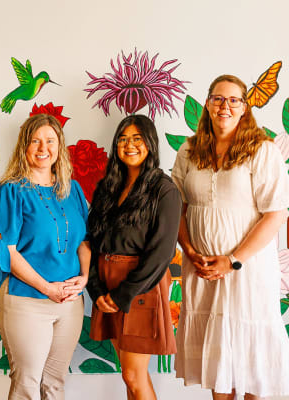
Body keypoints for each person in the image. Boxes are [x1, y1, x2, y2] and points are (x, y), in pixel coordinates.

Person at [172, 75, 289, 399]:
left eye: (233, 100)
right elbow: (178, 208)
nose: (225, 106)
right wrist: (190, 250)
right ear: (207, 104)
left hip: (246, 273)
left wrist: (233, 260)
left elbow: (276, 214)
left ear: (244, 107)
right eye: (218, 99)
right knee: (218, 367)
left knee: (251, 365)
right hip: (203, 270)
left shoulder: (262, 151)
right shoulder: (188, 150)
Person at [0, 114, 90, 400]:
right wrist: (47, 288)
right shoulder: (11, 191)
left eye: (50, 141)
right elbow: (8, 252)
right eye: (35, 141)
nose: (43, 148)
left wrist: (84, 278)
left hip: (69, 303)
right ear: (24, 147)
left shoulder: (73, 189)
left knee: (55, 383)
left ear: (59, 146)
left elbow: (84, 242)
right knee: (27, 384)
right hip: (26, 300)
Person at [87, 114, 181, 400]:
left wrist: (122, 294)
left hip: (139, 288)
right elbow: (92, 240)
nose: (129, 145)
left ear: (150, 144)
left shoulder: (164, 190)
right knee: (128, 376)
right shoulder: (107, 187)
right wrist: (97, 290)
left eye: (137, 138)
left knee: (133, 373)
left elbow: (161, 253)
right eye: (123, 139)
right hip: (106, 284)